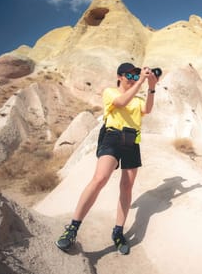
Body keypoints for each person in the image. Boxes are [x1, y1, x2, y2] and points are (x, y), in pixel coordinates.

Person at [55, 62, 158, 255]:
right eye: (130, 75)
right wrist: (142, 81)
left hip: (132, 141)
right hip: (112, 137)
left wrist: (152, 88)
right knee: (100, 178)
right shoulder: (111, 92)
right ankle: (72, 228)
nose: (133, 78)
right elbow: (121, 103)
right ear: (119, 76)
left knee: (127, 187)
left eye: (135, 76)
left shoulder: (137, 98)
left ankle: (118, 232)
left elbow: (148, 110)